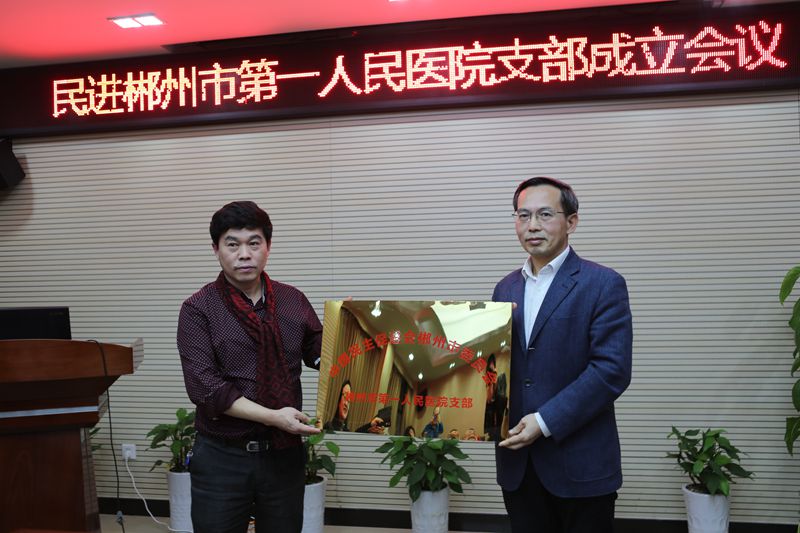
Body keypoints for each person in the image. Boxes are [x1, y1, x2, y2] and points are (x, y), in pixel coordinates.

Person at [493, 177, 632, 533]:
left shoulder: (603, 283)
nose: (532, 225)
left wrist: (544, 421)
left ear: (571, 222)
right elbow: (497, 367)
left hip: (580, 462)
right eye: (523, 215)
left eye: (544, 214)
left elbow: (611, 371)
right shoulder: (505, 288)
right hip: (518, 464)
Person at [177, 201, 322, 533]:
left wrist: (350, 330)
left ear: (268, 246)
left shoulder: (293, 300)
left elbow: (320, 354)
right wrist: (274, 417)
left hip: (283, 456)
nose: (244, 254)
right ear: (216, 249)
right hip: (222, 457)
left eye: (254, 243)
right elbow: (206, 388)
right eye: (233, 244)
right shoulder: (198, 309)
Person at [483, 353, 507, 442]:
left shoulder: (501, 376)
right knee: (492, 431)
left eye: (493, 364)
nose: (492, 366)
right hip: (492, 408)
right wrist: (491, 382)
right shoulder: (489, 378)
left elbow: (502, 394)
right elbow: (489, 398)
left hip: (499, 406)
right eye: (490, 364)